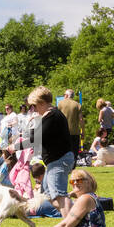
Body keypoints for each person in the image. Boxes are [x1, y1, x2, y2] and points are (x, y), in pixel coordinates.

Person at [29, 86, 75, 215]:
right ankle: (77, 213)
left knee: (59, 197)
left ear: (42, 103)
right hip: (54, 162)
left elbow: (34, 139)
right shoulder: (49, 116)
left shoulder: (52, 116)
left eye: (35, 106)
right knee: (48, 195)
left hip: (59, 160)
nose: (34, 109)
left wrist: (33, 123)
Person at [57, 89, 83, 158]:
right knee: (74, 153)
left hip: (63, 133)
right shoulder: (77, 105)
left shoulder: (60, 103)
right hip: (75, 132)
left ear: (66, 95)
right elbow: (81, 120)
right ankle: (73, 167)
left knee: (63, 153)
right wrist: (83, 132)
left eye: (64, 94)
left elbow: (57, 118)